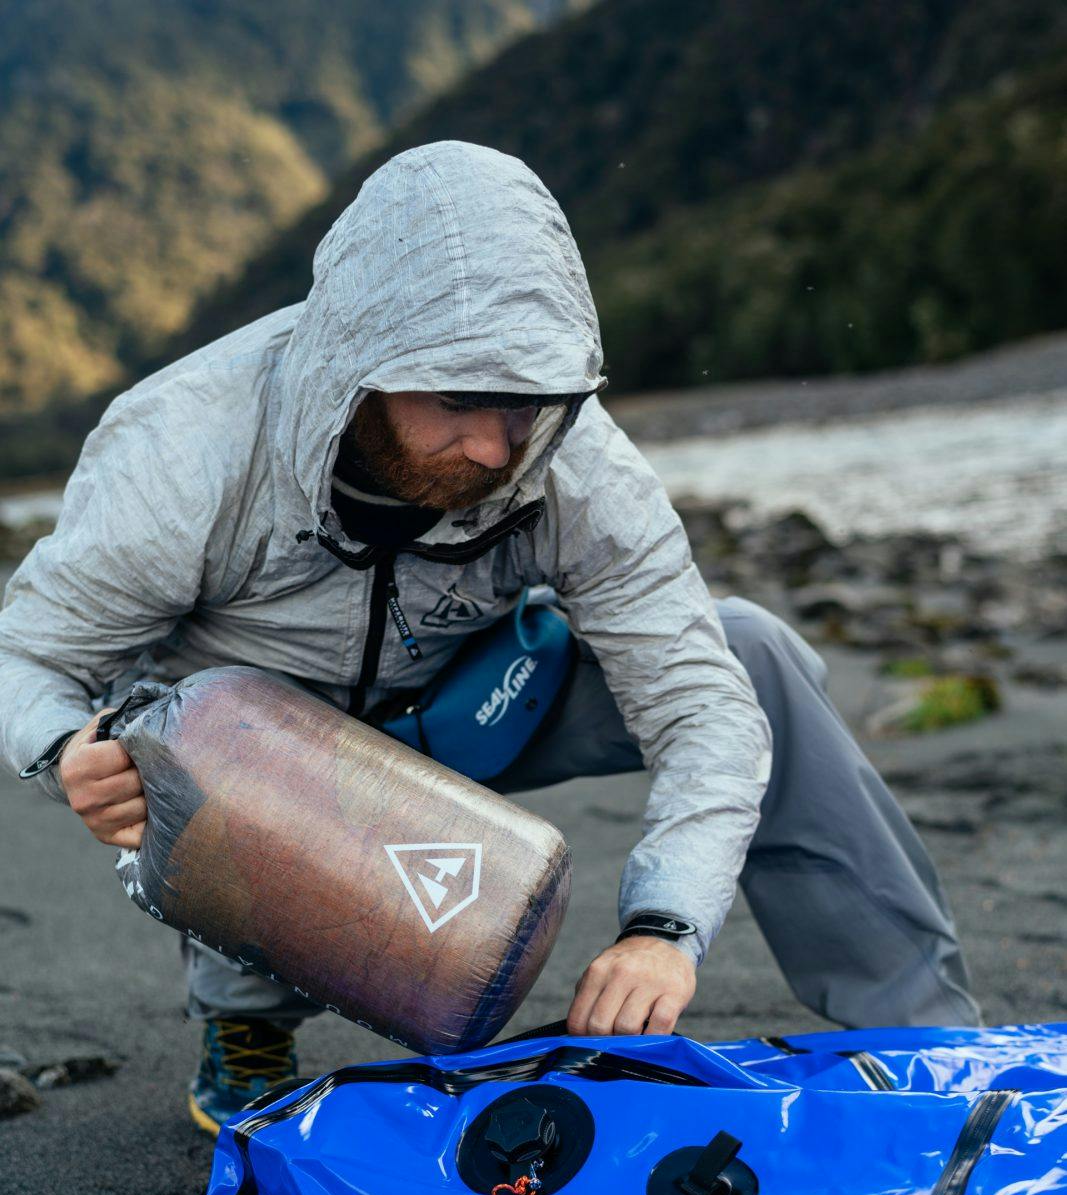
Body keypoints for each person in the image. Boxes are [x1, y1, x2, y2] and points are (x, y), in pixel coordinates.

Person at [0, 142, 979, 1133]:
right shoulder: (182, 454)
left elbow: (695, 702)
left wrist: (663, 928)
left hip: (472, 712)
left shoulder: (571, 461)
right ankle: (243, 1017)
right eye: (457, 401)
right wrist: (63, 748)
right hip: (257, 765)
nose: (492, 447)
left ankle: (915, 1041)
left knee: (750, 653)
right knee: (230, 752)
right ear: (355, 369)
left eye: (521, 405)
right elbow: (26, 655)